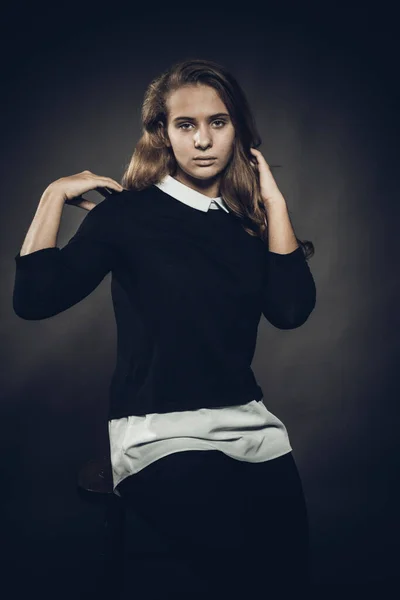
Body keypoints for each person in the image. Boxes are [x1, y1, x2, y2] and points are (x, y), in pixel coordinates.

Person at [13, 58, 316, 598]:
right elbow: (34, 300)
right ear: (163, 134)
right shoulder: (126, 216)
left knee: (291, 574)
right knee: (245, 574)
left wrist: (274, 203)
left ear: (238, 130)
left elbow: (291, 311)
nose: (203, 139)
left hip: (249, 428)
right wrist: (53, 195)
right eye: (185, 125)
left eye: (218, 122)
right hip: (157, 432)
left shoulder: (249, 223)